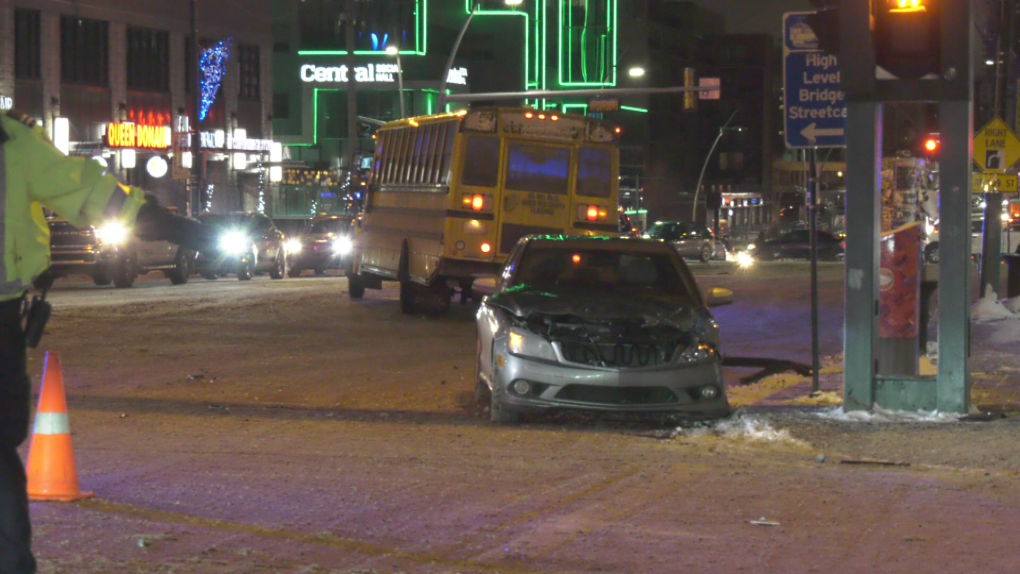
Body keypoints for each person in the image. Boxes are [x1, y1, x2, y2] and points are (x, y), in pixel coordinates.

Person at [0, 109, 216, 573]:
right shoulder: (11, 143)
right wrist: (180, 229)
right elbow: (95, 195)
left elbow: (94, 195)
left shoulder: (12, 143)